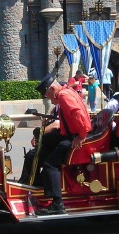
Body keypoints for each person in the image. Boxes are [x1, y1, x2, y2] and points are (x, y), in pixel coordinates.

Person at [35, 73, 92, 215]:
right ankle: (40, 179)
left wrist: (81, 136)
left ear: (53, 89)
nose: (47, 98)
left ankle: (57, 203)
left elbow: (78, 114)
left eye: (47, 95)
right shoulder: (67, 92)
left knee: (50, 164)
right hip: (70, 134)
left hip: (74, 137)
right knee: (45, 141)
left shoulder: (63, 96)